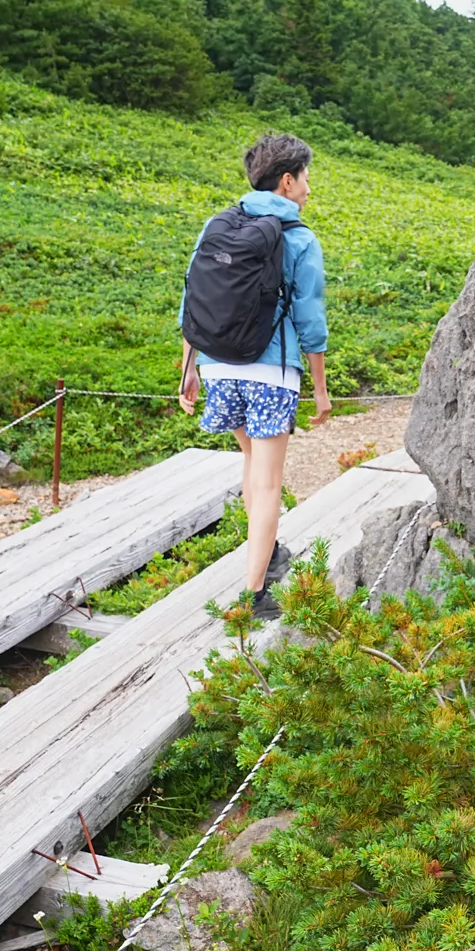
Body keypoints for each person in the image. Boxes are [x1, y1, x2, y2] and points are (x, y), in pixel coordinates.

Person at [178, 132, 332, 620]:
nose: (309, 187)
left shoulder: (217, 225)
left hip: (219, 365)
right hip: (270, 372)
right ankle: (255, 594)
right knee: (268, 483)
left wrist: (188, 370)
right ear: (287, 181)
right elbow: (310, 321)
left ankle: (269, 553)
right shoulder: (300, 239)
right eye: (305, 178)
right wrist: (322, 389)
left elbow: (193, 299)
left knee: (252, 465)